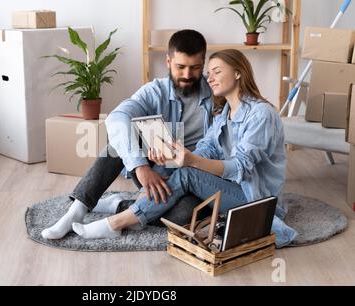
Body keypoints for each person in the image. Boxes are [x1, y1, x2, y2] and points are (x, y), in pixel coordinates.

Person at [71, 49, 298, 248]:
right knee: (179, 194)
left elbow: (241, 167)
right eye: (210, 73)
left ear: (238, 72)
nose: (210, 78)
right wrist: (173, 158)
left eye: (217, 71)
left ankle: (117, 221)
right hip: (227, 188)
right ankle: (116, 208)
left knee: (186, 183)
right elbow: (206, 149)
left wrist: (190, 162)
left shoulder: (261, 114)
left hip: (254, 198)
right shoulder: (224, 113)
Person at [41, 29, 215, 240]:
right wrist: (140, 166)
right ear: (168, 61)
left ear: (203, 63)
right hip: (154, 169)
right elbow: (118, 117)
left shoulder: (217, 92)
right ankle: (76, 211)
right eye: (180, 67)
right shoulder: (155, 90)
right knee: (117, 143)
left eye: (195, 68)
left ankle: (121, 206)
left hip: (190, 176)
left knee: (186, 216)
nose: (187, 75)